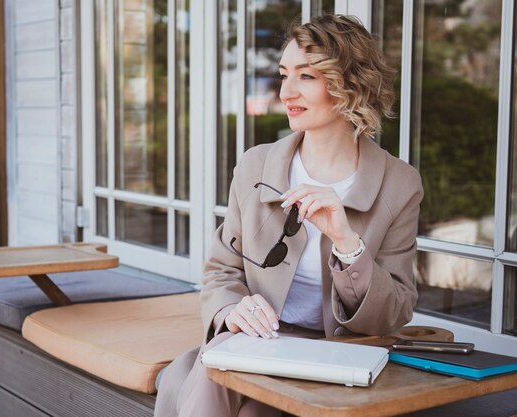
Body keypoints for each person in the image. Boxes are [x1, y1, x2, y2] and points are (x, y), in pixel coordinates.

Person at [155, 13, 423, 417]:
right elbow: (221, 271)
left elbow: (395, 312)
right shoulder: (255, 166)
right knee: (220, 364)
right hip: (255, 344)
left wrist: (348, 245)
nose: (286, 92)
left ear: (350, 84)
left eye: (306, 76)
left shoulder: (400, 185)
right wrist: (233, 310)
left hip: (340, 356)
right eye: (284, 74)